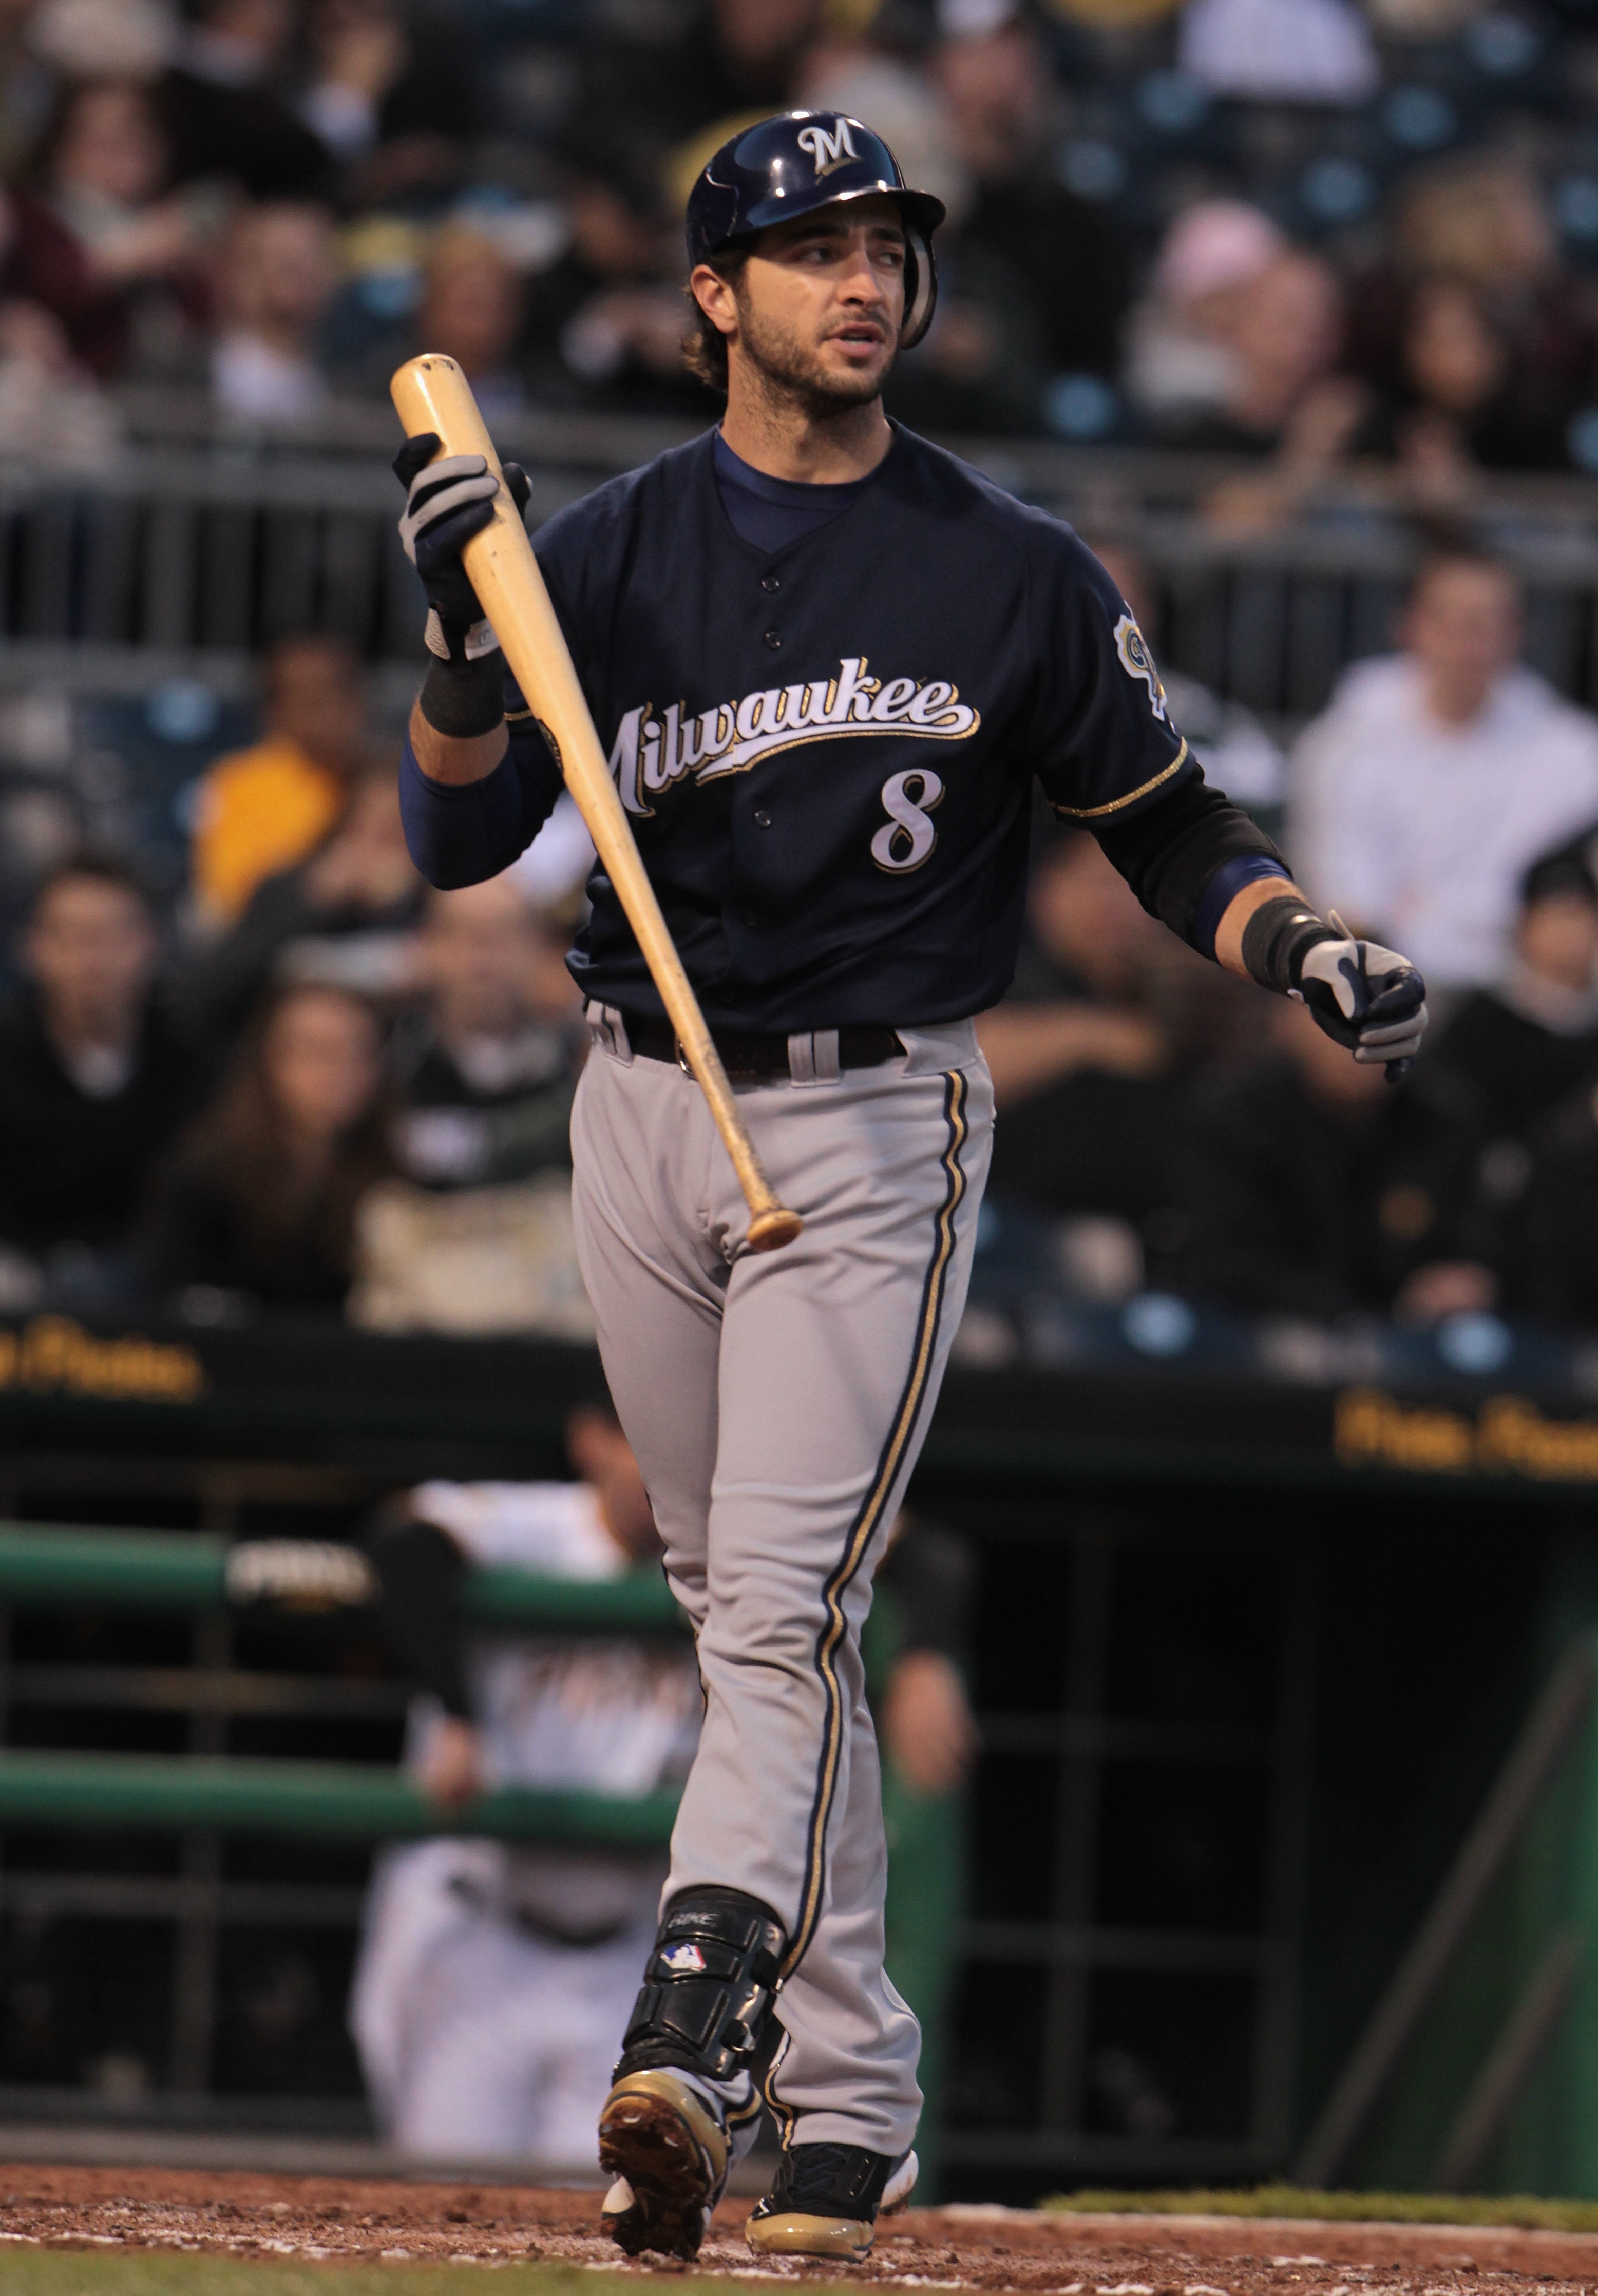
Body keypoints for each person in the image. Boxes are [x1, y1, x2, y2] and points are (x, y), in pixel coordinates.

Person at [389, 109, 1425, 2264]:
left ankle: (696, 2025)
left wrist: (1292, 938)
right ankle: (854, 2096)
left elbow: (1161, 818)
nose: (863, 280)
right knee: (745, 1608)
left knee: (776, 1605)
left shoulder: (1003, 560)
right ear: (712, 296)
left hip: (870, 1121)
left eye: (885, 244)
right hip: (636, 1093)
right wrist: (462, 649)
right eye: (812, 248)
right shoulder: (615, 545)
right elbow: (456, 837)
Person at [351, 1403, 703, 2171]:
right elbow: (404, 1543)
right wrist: (458, 1715)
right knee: (442, 2196)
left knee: (601, 2212)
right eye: (645, 1443)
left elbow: (902, 1553)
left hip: (629, 1953)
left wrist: (924, 1659)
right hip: (484, 1932)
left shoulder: (721, 1558)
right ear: (592, 1441)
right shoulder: (537, 1526)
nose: (666, 1470)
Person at [1290, 550, 1598, 992]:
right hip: (1376, 982)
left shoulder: (1574, 755)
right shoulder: (1343, 743)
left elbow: (1564, 913)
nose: (1466, 641)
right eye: (1448, 621)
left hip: (1520, 991)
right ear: (1408, 626)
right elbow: (1345, 902)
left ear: (1517, 632)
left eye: (1484, 623)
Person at [1181, 993, 1488, 1322]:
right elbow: (1223, 1255)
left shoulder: (1444, 1117)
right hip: (1256, 1325)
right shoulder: (1233, 1117)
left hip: (1409, 1333)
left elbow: (1473, 1239)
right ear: (1288, 1023)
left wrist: (1462, 1277)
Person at [0, 853, 198, 1293]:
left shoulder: (188, 1055)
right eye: (72, 936)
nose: (92, 959)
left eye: (112, 936)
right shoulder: (8, 1051)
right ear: (32, 947)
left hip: (156, 1294)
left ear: (152, 943)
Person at [146, 981, 392, 1313]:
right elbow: (170, 1299)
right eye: (318, 1051)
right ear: (269, 1058)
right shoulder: (206, 1178)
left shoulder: (390, 1175)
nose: (341, 1072)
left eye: (359, 1052)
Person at [181, 761, 422, 1053]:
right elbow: (206, 996)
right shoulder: (288, 890)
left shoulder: (438, 906)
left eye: (394, 834)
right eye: (362, 827)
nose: (373, 848)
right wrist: (313, 901)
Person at [4, 78, 212, 382]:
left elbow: (199, 320)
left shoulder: (167, 218)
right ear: (63, 148)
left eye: (139, 138)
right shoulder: (33, 214)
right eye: (108, 143)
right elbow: (48, 287)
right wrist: (126, 256)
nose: (128, 153)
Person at [391, 877, 582, 1194]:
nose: (482, 961)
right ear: (425, 944)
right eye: (460, 934)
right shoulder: (387, 1065)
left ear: (538, 947)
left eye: (505, 935)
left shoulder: (580, 1065)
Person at [190, 634, 376, 932]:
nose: (329, 713)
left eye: (339, 693)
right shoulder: (238, 782)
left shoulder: (387, 780)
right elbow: (228, 895)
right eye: (309, 701)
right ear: (275, 711)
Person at [1431, 849, 1598, 1145]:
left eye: (1580, 915)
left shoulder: (1589, 1026)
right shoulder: (1478, 1025)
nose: (1570, 932)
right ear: (1524, 925)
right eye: (1556, 916)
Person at [209, 199, 339, 428]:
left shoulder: (349, 372)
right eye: (288, 264)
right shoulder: (196, 375)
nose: (306, 277)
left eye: (314, 259)